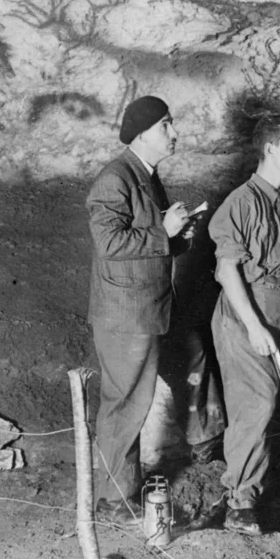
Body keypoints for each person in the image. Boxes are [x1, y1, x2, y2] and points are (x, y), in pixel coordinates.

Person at [86, 95, 193, 522]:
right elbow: (109, 243)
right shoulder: (116, 178)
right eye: (165, 125)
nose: (174, 132)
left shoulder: (146, 175)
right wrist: (164, 231)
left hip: (143, 309)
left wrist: (178, 237)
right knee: (124, 403)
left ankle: (121, 490)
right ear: (142, 134)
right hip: (125, 314)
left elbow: (148, 243)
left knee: (132, 401)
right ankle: (114, 498)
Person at [207, 113, 280, 536]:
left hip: (279, 310)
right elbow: (227, 270)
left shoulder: (275, 202)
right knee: (257, 403)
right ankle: (239, 502)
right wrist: (253, 326)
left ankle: (254, 490)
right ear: (269, 149)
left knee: (279, 405)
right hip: (246, 312)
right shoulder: (242, 201)